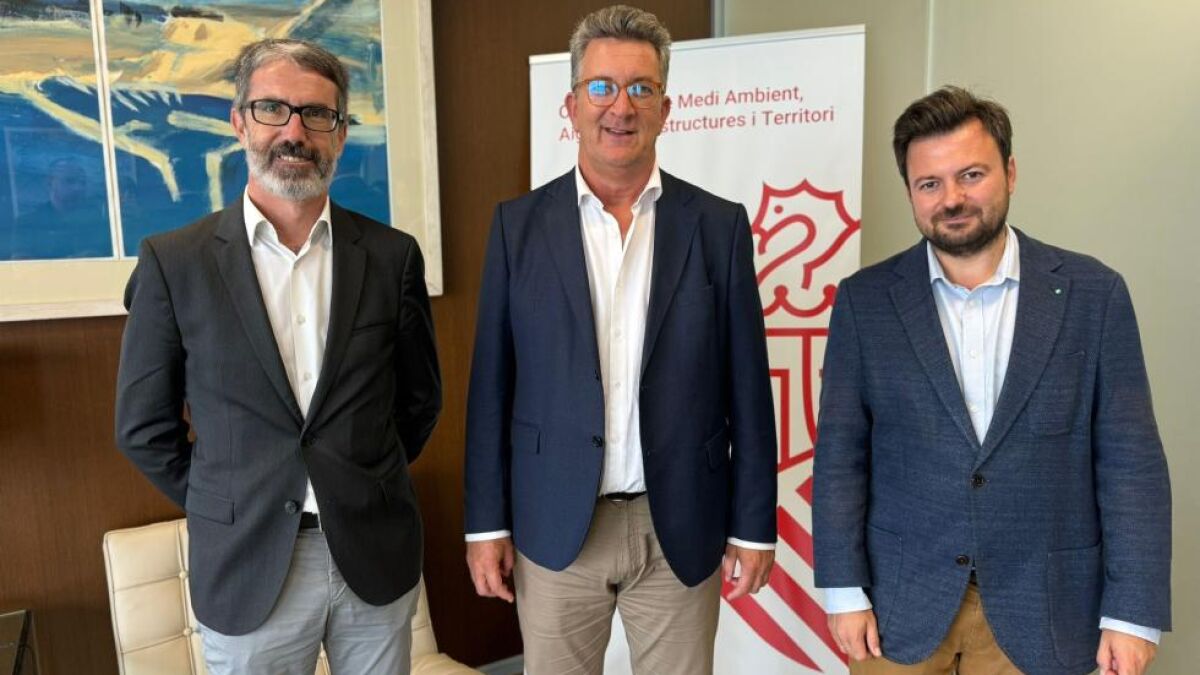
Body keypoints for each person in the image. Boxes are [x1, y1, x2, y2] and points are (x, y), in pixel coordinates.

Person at [463, 5, 778, 674]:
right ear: (572, 106)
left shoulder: (717, 227)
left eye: (641, 88)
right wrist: (486, 523)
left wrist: (754, 525)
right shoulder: (517, 227)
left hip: (680, 523)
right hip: (554, 522)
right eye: (602, 87)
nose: (621, 106)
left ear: (666, 108)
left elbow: (749, 391)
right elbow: (491, 388)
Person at [813, 86, 1170, 675]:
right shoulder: (865, 301)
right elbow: (840, 458)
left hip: (1048, 611)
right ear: (910, 193)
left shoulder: (1094, 294)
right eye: (929, 184)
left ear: (1010, 172)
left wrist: (1132, 615)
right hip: (897, 609)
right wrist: (843, 590)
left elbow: (1131, 464)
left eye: (971, 175)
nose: (952, 198)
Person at [115, 38, 441, 675]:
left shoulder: (392, 257)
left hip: (374, 556)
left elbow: (419, 402)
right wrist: (229, 497)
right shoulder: (174, 263)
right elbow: (143, 428)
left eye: (316, 114)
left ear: (340, 133)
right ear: (240, 123)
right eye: (272, 109)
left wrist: (363, 481)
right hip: (247, 566)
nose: (294, 132)